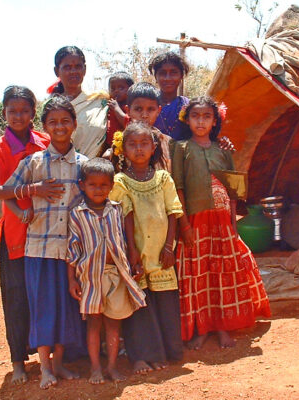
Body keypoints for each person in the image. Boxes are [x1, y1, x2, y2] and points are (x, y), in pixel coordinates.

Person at [172, 96, 271, 350]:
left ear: (215, 120)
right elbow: (179, 188)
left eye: (207, 116)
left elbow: (233, 189)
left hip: (222, 221)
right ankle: (202, 328)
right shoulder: (181, 149)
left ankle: (223, 327)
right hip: (195, 221)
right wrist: (184, 225)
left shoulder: (223, 150)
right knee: (199, 275)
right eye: (196, 116)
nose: (201, 121)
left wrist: (233, 224)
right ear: (187, 119)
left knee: (222, 274)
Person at [3, 95, 86, 389]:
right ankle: (45, 368)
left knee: (65, 308)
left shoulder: (84, 165)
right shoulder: (33, 163)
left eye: (65, 121)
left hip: (70, 252)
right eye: (53, 122)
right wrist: (29, 197)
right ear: (45, 126)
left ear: (74, 124)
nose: (60, 126)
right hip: (38, 248)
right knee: (42, 308)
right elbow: (5, 191)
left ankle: (60, 364)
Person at [0, 86, 51, 385]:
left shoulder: (45, 141)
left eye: (24, 111)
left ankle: (51, 358)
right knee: (17, 298)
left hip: (47, 231)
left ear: (33, 113)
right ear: (4, 113)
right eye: (12, 111)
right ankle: (18, 362)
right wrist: (30, 191)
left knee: (45, 295)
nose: (18, 116)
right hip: (16, 231)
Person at [109, 121, 184, 373]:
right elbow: (125, 217)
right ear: (123, 149)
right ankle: (141, 356)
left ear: (153, 147)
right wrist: (132, 253)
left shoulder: (163, 178)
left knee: (164, 303)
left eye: (144, 144)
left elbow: (173, 211)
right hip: (137, 253)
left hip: (162, 252)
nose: (138, 149)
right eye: (132, 144)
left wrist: (169, 247)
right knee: (140, 306)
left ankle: (167, 351)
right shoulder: (120, 181)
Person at [66, 158, 147, 384]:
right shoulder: (77, 214)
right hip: (90, 277)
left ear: (111, 186)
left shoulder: (116, 211)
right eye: (92, 185)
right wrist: (72, 280)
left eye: (103, 185)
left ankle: (111, 366)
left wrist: (133, 265)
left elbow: (125, 242)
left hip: (116, 275)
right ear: (82, 185)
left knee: (113, 323)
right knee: (94, 323)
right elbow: (72, 250)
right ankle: (95, 368)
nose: (98, 189)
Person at [52, 46, 109, 158]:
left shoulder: (101, 100)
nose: (73, 71)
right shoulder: (51, 106)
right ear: (56, 71)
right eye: (67, 67)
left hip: (96, 171)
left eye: (78, 66)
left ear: (85, 69)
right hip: (61, 170)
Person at [106, 71, 134, 147]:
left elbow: (130, 125)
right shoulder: (109, 105)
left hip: (127, 146)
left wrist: (116, 109)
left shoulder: (132, 106)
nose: (116, 91)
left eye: (121, 88)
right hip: (109, 146)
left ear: (131, 89)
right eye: (113, 88)